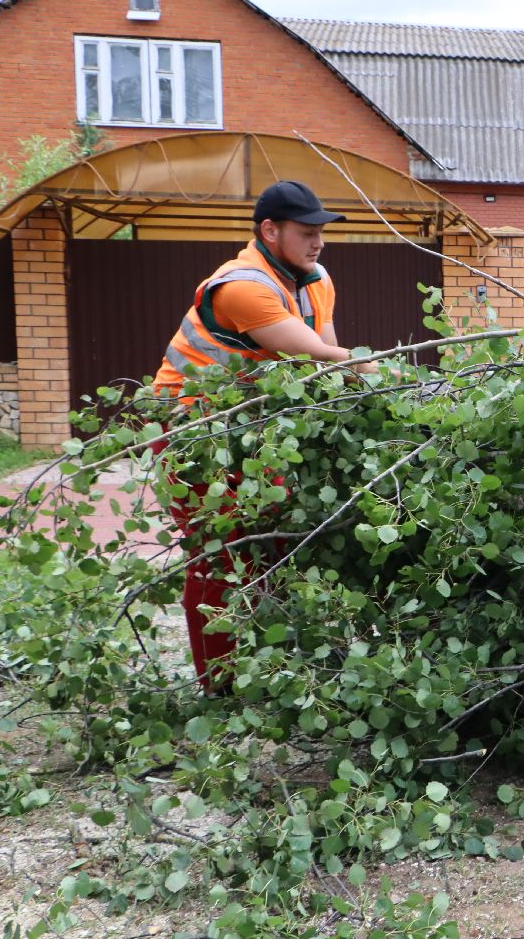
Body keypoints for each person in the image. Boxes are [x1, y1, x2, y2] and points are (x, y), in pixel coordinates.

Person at [152, 180, 365, 690]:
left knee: (271, 544)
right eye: (306, 232)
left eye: (321, 233)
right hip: (193, 432)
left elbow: (326, 370)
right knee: (220, 556)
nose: (317, 243)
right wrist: (388, 370)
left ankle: (266, 673)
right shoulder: (242, 286)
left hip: (253, 432)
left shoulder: (316, 278)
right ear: (270, 230)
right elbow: (315, 355)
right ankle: (219, 686)